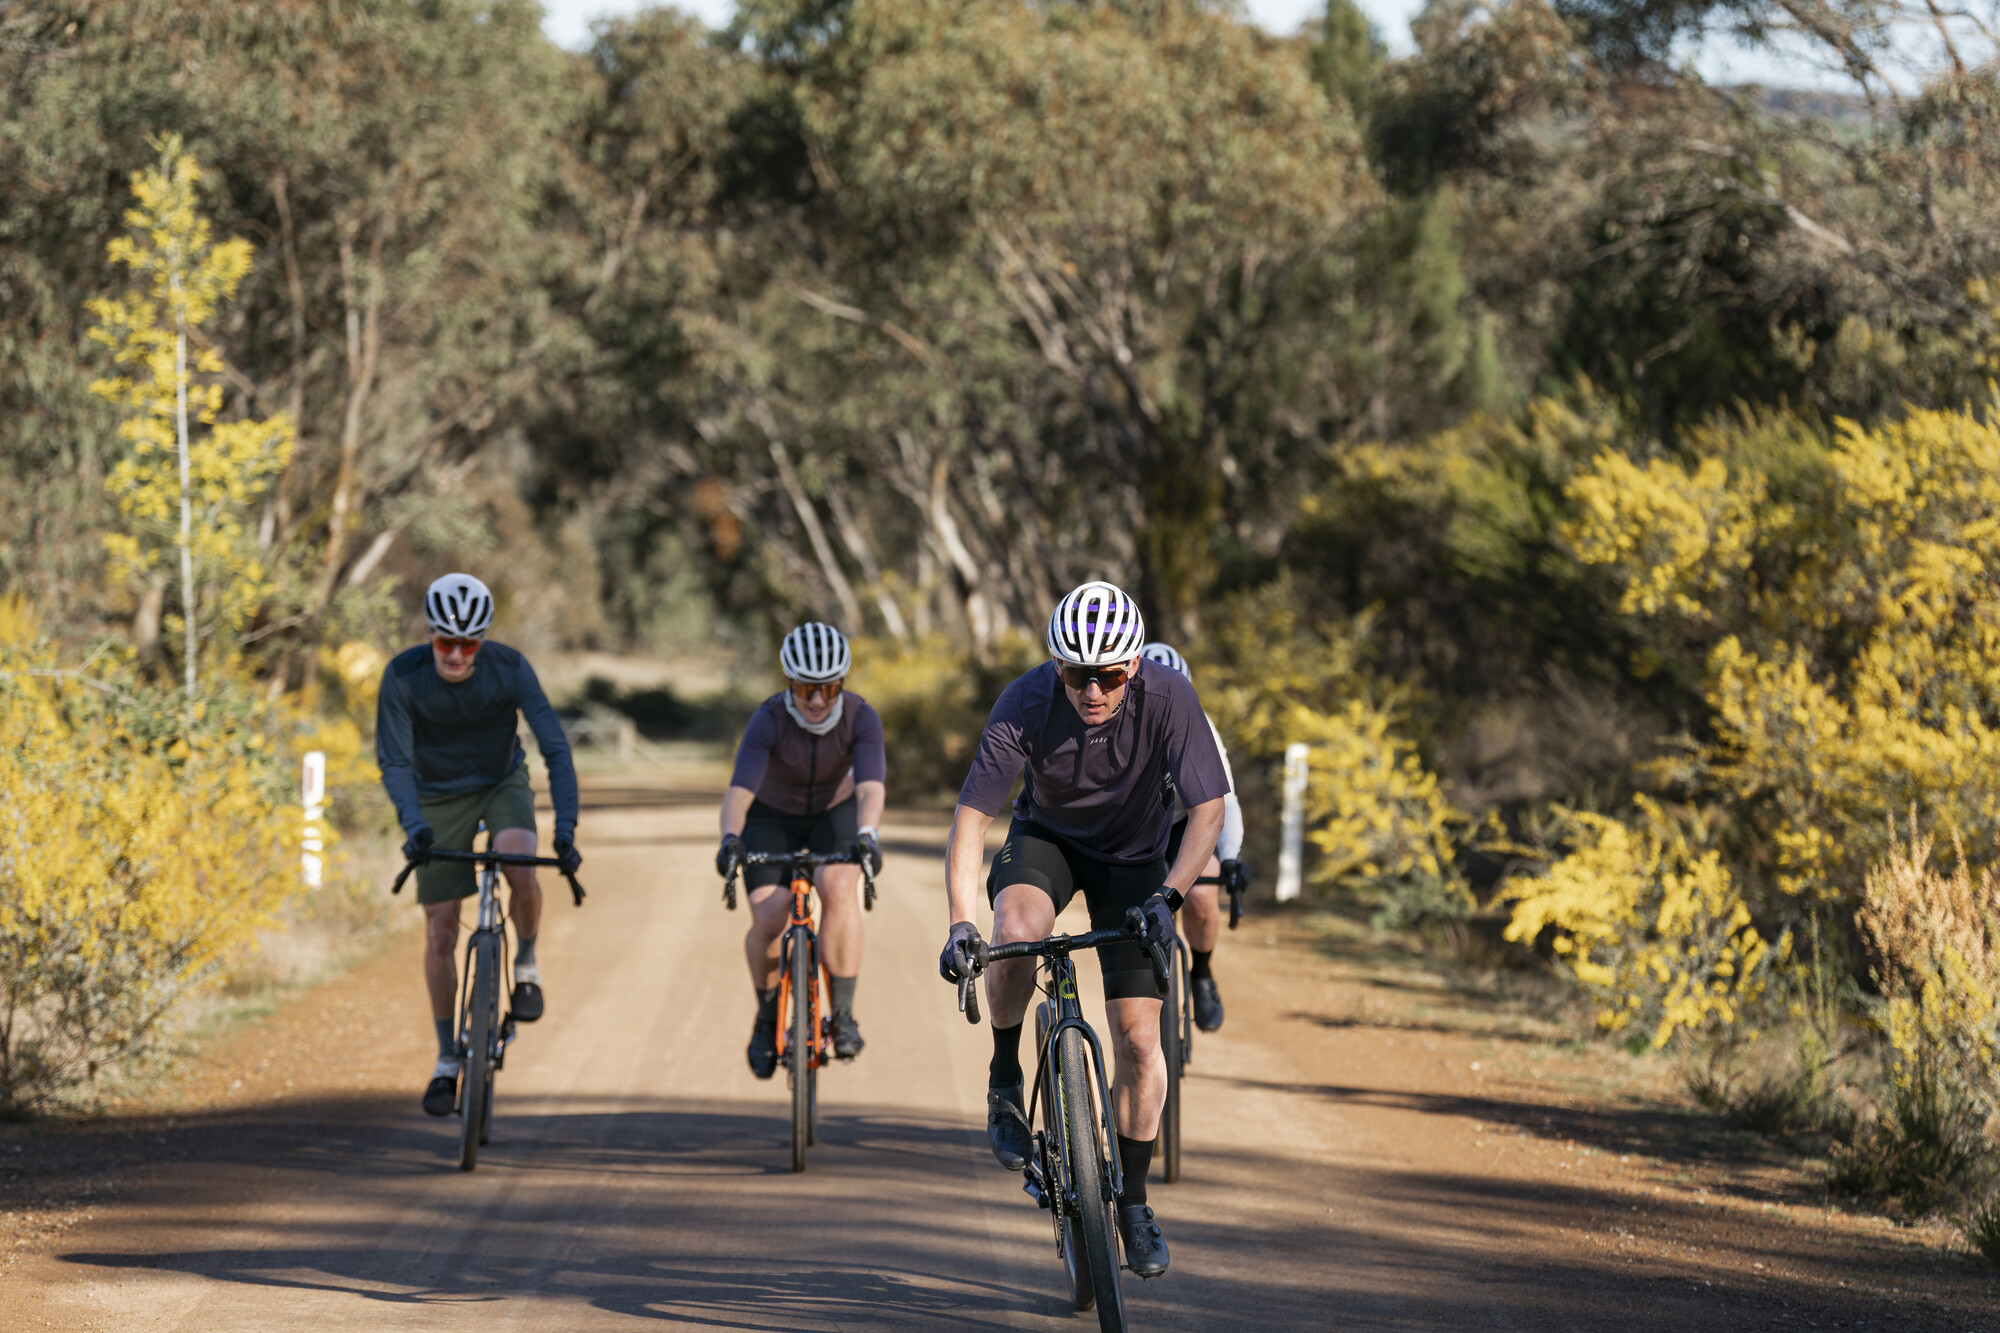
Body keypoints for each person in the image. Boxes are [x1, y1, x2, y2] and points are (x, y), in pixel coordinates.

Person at [939, 581, 1229, 1279]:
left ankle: (1130, 1203)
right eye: (1076, 674)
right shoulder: (1026, 702)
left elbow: (1209, 809)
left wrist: (1169, 894)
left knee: (1137, 1036)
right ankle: (1006, 1076)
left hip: (1136, 862)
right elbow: (973, 821)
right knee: (1013, 930)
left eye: (1109, 674)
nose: (1093, 690)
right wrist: (959, 924)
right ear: (1056, 668)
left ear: (1134, 666)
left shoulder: (1170, 699)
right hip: (1049, 841)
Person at [376, 573, 582, 1119]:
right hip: (435, 797)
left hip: (500, 782)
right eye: (447, 641)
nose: (458, 654)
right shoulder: (402, 678)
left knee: (520, 864)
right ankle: (447, 1059)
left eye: (470, 643)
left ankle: (528, 966)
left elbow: (556, 749)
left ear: (483, 640)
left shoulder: (510, 669)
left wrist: (566, 829)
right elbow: (395, 762)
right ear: (430, 636)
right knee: (441, 929)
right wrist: (414, 825)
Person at [716, 622, 887, 1077]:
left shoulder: (860, 717)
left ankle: (844, 1014)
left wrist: (868, 831)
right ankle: (767, 1016)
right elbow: (739, 794)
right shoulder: (768, 719)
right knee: (770, 915)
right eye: (806, 689)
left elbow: (870, 786)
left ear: (842, 685)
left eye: (828, 689)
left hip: (834, 814)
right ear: (790, 684)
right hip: (771, 817)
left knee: (838, 886)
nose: (816, 701)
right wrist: (730, 839)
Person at [1137, 641, 1247, 1032]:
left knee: (1201, 894)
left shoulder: (1201, 727)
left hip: (1184, 822)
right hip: (1136, 827)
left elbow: (1225, 803)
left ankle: (1201, 973)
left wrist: (1230, 858)